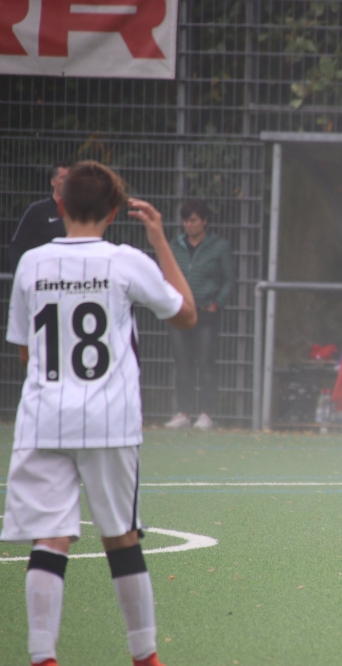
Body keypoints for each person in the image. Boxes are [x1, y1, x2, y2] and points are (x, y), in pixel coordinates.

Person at [2, 161, 197, 666]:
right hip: (109, 420)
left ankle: (42, 655)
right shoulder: (124, 261)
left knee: (50, 539)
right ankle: (145, 656)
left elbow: (24, 352)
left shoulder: (32, 265)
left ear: (59, 204)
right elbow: (185, 314)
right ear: (114, 211)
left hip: (44, 419)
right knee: (121, 539)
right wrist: (159, 239)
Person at [163, 200, 234, 430]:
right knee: (182, 363)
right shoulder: (175, 245)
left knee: (206, 363)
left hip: (206, 313)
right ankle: (183, 413)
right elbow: (166, 275)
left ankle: (206, 415)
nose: (189, 225)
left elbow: (229, 279)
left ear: (205, 221)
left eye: (193, 220)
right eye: (186, 220)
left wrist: (217, 303)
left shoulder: (219, 246)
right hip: (180, 313)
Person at [8, 161, 72, 271]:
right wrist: (22, 275)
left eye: (70, 178)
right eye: (63, 178)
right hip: (42, 275)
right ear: (53, 181)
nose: (67, 181)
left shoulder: (81, 212)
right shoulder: (36, 210)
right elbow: (17, 245)